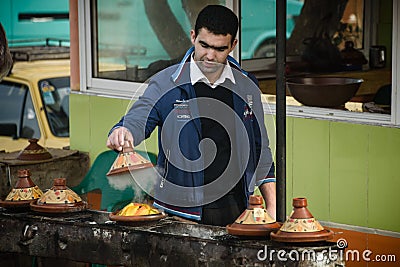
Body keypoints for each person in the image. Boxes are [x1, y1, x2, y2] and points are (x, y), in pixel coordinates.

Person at [107, 5, 276, 226]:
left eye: (219, 49)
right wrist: (124, 131)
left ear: (233, 45)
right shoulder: (167, 82)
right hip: (180, 214)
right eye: (204, 45)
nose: (210, 56)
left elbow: (259, 148)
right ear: (193, 36)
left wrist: (271, 205)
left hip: (238, 209)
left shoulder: (246, 86)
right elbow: (139, 117)